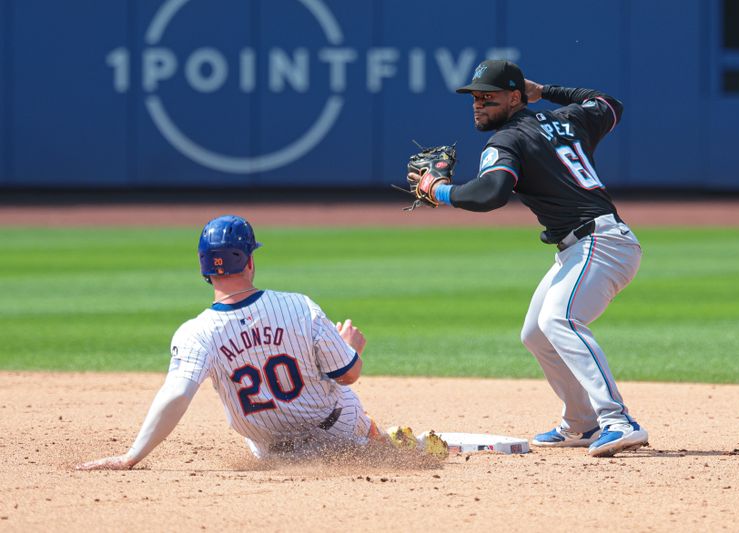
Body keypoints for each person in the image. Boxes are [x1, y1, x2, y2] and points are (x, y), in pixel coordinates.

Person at [409, 59, 648, 458]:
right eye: (475, 97)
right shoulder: (568, 119)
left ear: (514, 97)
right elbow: (607, 103)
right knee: (536, 333)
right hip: (591, 244)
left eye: (489, 97)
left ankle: (618, 421)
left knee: (560, 320)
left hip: (599, 243)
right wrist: (547, 90)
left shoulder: (507, 140)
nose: (478, 104)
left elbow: (490, 194)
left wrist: (440, 190)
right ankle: (581, 422)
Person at [77, 215, 445, 470]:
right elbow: (348, 375)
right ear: (250, 261)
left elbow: (176, 395)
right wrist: (350, 349)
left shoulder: (195, 332)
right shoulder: (299, 306)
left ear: (204, 269)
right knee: (342, 394)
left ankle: (379, 441)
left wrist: (131, 456)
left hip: (272, 455)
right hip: (338, 435)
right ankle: (382, 442)